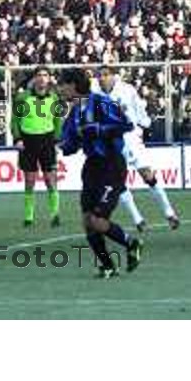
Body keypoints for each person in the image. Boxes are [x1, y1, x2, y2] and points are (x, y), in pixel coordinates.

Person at [59, 68, 143, 278]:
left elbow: (126, 124)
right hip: (92, 167)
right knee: (87, 221)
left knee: (98, 219)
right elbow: (69, 146)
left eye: (63, 84)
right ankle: (107, 266)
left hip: (111, 165)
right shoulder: (74, 112)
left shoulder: (101, 102)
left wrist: (97, 129)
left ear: (73, 85)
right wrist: (67, 144)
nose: (60, 89)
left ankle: (131, 243)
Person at [95, 65, 179, 231]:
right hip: (111, 140)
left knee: (147, 174)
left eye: (105, 75)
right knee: (118, 180)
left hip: (130, 137)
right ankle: (137, 219)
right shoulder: (96, 95)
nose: (102, 78)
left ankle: (169, 212)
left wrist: (145, 123)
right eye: (99, 75)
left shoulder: (127, 90)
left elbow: (139, 108)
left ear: (113, 76)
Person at [10, 66, 62, 228]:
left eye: (45, 75)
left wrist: (57, 140)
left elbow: (58, 121)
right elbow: (15, 120)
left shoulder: (54, 98)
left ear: (49, 79)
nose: (42, 78)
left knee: (50, 179)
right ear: (34, 78)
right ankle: (28, 217)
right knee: (30, 180)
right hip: (28, 141)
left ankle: (55, 215)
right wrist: (17, 138)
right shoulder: (23, 97)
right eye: (39, 75)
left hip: (47, 140)